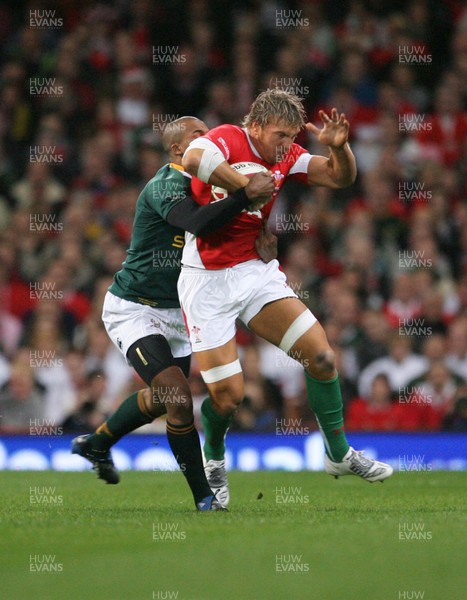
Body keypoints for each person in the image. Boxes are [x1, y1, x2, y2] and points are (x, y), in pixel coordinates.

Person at [180, 89, 393, 505]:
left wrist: (340, 148)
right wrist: (246, 186)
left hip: (255, 272)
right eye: (279, 135)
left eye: (290, 137)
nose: (284, 145)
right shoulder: (227, 138)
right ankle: (214, 459)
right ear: (255, 126)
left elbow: (339, 177)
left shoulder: (287, 155)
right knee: (229, 396)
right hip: (206, 281)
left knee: (323, 357)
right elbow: (192, 158)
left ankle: (338, 454)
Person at [72, 116, 275, 511]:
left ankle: (96, 444)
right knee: (179, 398)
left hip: (180, 312)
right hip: (136, 307)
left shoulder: (213, 188)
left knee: (166, 397)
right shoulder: (167, 184)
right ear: (179, 150)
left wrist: (261, 251)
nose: (211, 140)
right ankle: (205, 498)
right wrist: (244, 195)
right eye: (200, 136)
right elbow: (196, 222)